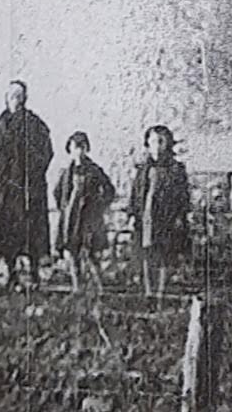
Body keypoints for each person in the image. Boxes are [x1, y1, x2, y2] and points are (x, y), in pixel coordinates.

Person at [0, 80, 54, 289]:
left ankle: (34, 274)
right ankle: (11, 273)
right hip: (5, 190)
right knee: (6, 232)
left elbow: (47, 152)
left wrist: (32, 173)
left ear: (25, 99)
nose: (16, 100)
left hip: (28, 189)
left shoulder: (35, 125)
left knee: (31, 232)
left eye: (19, 96)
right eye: (12, 96)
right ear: (6, 98)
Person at [128, 124, 191, 302]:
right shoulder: (143, 169)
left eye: (161, 141)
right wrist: (132, 214)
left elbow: (183, 195)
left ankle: (161, 292)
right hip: (146, 216)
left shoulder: (176, 169)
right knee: (146, 254)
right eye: (153, 141)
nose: (157, 146)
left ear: (168, 144)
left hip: (165, 216)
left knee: (163, 254)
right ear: (148, 144)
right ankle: (149, 293)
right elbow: (135, 193)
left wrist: (180, 216)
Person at [53, 132, 116, 291]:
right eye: (75, 148)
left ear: (87, 149)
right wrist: (65, 208)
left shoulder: (94, 170)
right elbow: (57, 192)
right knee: (72, 252)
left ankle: (100, 289)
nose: (79, 151)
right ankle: (77, 289)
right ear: (70, 150)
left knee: (91, 253)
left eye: (82, 147)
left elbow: (109, 190)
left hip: (89, 218)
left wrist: (98, 206)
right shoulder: (66, 172)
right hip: (71, 219)